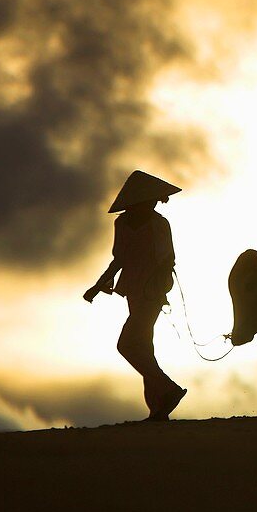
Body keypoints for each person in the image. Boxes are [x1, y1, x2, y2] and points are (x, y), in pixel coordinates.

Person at [84, 170, 188, 420]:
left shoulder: (158, 224)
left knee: (127, 345)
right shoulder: (122, 223)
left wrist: (158, 287)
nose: (154, 203)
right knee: (143, 347)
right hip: (132, 289)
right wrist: (98, 286)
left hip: (151, 293)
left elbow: (168, 260)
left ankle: (168, 389)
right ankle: (158, 409)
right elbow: (118, 259)